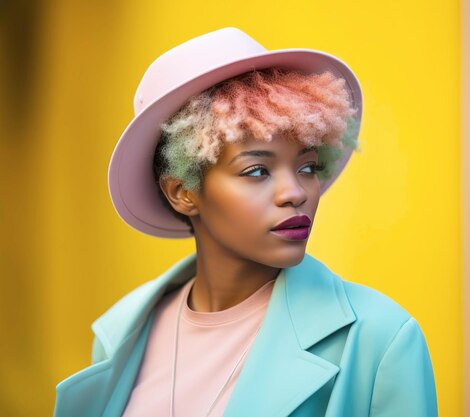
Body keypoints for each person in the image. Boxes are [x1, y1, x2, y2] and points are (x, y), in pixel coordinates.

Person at [53, 27, 438, 417]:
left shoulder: (380, 337)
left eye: (308, 166)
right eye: (256, 171)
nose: (295, 192)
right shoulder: (121, 336)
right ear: (182, 192)